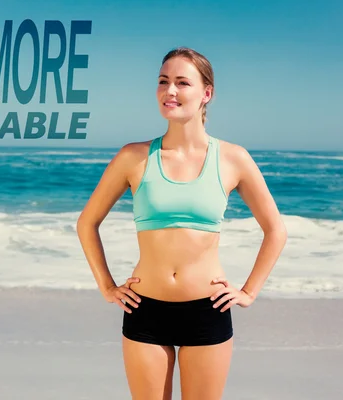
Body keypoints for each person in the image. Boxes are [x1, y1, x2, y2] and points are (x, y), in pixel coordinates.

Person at [76, 47, 287, 400]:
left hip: (208, 309)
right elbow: (87, 222)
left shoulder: (233, 159)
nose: (169, 91)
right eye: (163, 81)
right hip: (145, 308)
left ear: (206, 94)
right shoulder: (134, 157)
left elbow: (276, 230)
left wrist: (248, 292)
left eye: (181, 82)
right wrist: (107, 287)